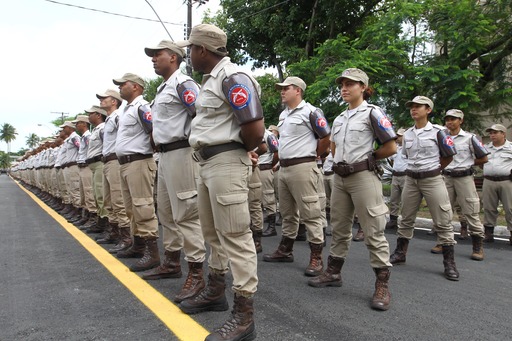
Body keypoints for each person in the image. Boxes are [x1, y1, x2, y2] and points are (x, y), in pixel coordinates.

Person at [175, 23, 265, 341]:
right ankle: (215, 292)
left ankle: (244, 317)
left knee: (236, 237)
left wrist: (236, 151)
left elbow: (255, 130)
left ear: (202, 50)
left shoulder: (233, 78)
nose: (188, 54)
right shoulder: (211, 81)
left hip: (227, 163)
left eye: (190, 49)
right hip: (207, 163)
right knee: (213, 234)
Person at [308, 68, 396, 311]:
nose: (344, 88)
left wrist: (369, 159)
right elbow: (334, 149)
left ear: (363, 88)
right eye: (342, 84)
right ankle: (333, 273)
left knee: (373, 230)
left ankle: (382, 285)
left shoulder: (372, 113)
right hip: (340, 177)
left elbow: (390, 146)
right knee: (339, 226)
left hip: (363, 177)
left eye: (351, 84)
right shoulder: (339, 118)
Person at [141, 40, 207, 303]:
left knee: (187, 215)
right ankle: (171, 262)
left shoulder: (184, 84)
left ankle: (197, 272)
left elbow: (200, 115)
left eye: (158, 55)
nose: (153, 59)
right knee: (166, 213)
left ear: (174, 57)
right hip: (165, 155)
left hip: (182, 152)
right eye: (153, 55)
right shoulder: (162, 89)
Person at [263, 76, 330, 278]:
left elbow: (325, 136)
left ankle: (316, 257)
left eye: (286, 88)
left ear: (298, 90)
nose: (282, 91)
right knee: (287, 212)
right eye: (281, 89)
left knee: (311, 212)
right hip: (284, 168)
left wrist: (314, 154)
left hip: (303, 166)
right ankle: (285, 249)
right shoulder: (284, 115)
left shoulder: (311, 111)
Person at [389, 96, 460, 281]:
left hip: (432, 179)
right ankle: (400, 253)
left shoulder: (439, 132)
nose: (414, 109)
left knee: (443, 220)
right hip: (411, 179)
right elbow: (405, 156)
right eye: (412, 107)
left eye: (418, 106)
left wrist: (434, 169)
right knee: (405, 218)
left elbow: (449, 156)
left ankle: (449, 263)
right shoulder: (408, 134)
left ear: (428, 110)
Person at [112, 73, 160, 273]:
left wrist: (148, 152)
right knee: (132, 208)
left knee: (143, 206)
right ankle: (139, 245)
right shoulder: (126, 110)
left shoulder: (142, 107)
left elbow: (153, 131)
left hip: (139, 162)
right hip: (126, 164)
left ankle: (152, 252)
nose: (120, 87)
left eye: (123, 84)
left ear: (136, 87)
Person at [429, 109, 488, 260]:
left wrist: (468, 162)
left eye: (453, 119)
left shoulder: (469, 138)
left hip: (464, 178)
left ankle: (478, 246)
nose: (450, 122)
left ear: (460, 120)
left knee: (470, 211)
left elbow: (483, 158)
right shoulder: (441, 137)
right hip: (446, 177)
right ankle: (443, 242)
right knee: (443, 211)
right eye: (448, 119)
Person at [97, 89, 132, 254]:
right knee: (109, 200)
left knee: (119, 200)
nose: (101, 100)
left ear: (114, 101)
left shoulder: (119, 116)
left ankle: (125, 237)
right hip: (107, 162)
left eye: (105, 98)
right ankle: (115, 232)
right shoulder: (109, 119)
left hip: (115, 161)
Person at [481, 124, 512, 245]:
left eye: (495, 132)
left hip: (507, 181)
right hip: (489, 181)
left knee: (510, 208)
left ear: (503, 134)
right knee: (489, 208)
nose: (492, 135)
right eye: (491, 133)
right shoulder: (486, 148)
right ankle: (488, 233)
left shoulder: (510, 147)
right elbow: (481, 162)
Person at [84, 106, 111, 243]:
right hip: (94, 165)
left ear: (99, 115)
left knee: (102, 195)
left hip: (100, 163)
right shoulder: (95, 130)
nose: (88, 116)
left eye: (91, 114)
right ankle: (101, 223)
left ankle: (107, 227)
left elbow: (108, 145)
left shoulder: (102, 129)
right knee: (97, 194)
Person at [71, 114, 96, 225]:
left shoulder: (87, 137)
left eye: (78, 123)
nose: (76, 125)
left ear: (84, 124)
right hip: (82, 166)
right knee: (83, 194)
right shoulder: (83, 137)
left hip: (86, 166)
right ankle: (86, 216)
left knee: (89, 193)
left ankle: (93, 218)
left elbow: (90, 149)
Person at [260, 128, 279, 237]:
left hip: (265, 168)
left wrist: (271, 165)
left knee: (268, 197)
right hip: (254, 169)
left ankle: (272, 227)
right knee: (254, 199)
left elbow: (277, 152)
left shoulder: (269, 135)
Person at [386, 128, 407, 229]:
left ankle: (405, 221)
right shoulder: (396, 148)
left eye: (400, 136)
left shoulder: (408, 148)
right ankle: (393, 219)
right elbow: (391, 161)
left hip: (405, 176)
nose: (397, 138)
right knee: (394, 199)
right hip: (395, 175)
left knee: (406, 200)